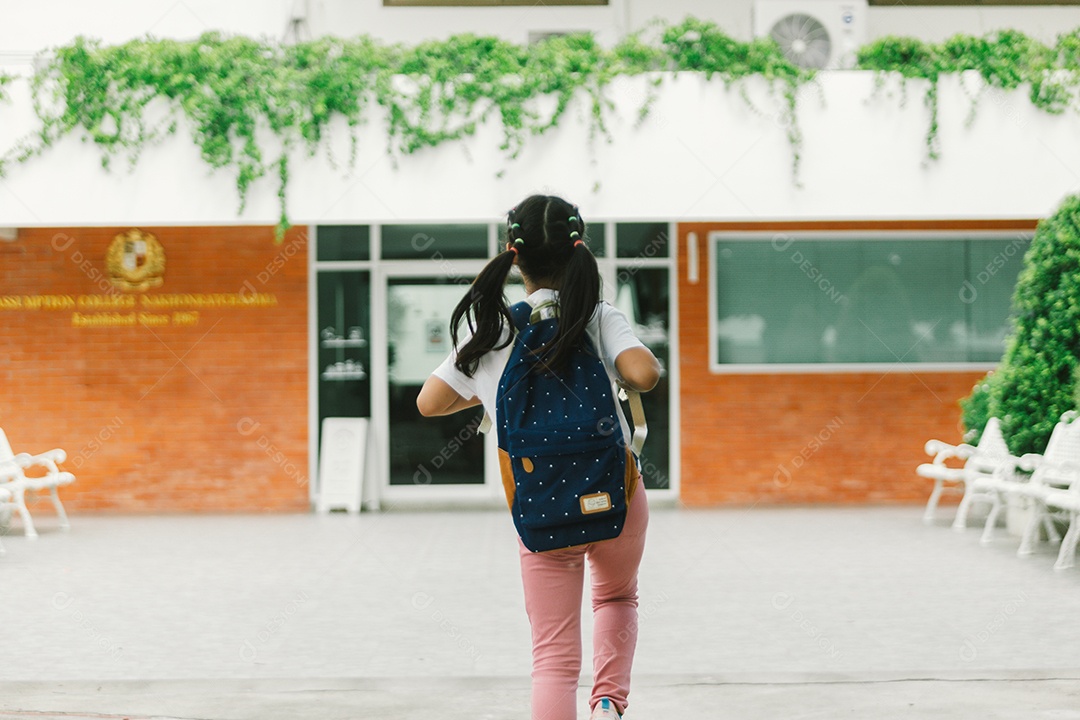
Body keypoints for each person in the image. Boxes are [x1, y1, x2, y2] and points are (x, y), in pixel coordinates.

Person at [417, 194, 661, 720]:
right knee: (617, 598)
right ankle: (607, 703)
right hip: (616, 494)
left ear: (513, 254)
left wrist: (483, 387)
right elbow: (644, 375)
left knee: (551, 659)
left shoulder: (494, 330)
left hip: (542, 505)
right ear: (579, 248)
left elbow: (428, 402)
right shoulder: (597, 315)